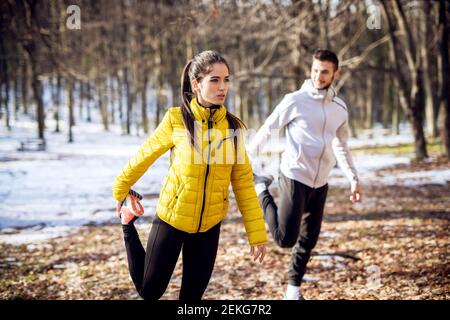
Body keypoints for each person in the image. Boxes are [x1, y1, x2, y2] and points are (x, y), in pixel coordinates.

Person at [112, 50, 267, 301]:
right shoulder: (176, 119)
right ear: (196, 84)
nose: (222, 87)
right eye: (214, 80)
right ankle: (127, 223)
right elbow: (145, 155)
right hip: (172, 218)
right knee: (149, 291)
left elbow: (243, 184)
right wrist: (121, 188)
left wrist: (257, 233)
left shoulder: (232, 128)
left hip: (209, 225)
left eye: (226, 79)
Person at [249, 49, 362, 300]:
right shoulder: (295, 100)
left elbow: (341, 146)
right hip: (294, 176)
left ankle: (292, 291)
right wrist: (246, 159)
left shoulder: (340, 109)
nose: (318, 76)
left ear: (335, 73)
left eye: (324, 72)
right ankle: (260, 188)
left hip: (320, 182)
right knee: (285, 239)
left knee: (309, 240)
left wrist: (353, 178)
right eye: (315, 70)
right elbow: (269, 128)